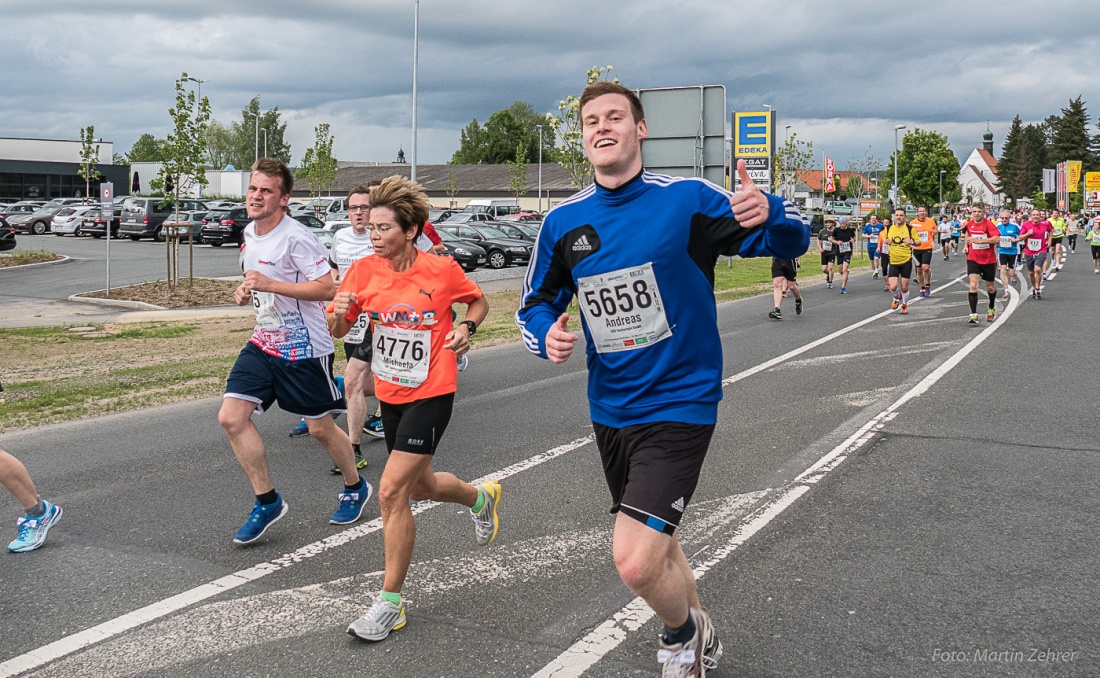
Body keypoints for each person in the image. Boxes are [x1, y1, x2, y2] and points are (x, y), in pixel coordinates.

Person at [516, 81, 809, 676]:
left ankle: (681, 633)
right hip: (611, 409)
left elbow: (790, 242)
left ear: (640, 129)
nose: (602, 127)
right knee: (661, 540)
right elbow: (533, 305)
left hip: (681, 401)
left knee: (634, 560)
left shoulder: (688, 201)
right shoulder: (564, 221)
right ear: (583, 136)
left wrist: (774, 212)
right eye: (591, 120)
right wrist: (545, 334)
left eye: (615, 117)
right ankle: (705, 639)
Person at [337, 175, 497, 643]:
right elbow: (337, 328)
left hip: (434, 387)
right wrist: (341, 311)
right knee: (421, 485)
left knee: (391, 491)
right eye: (371, 228)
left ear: (410, 231)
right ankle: (479, 497)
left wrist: (467, 328)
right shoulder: (363, 272)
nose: (374, 235)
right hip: (391, 391)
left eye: (384, 228)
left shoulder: (441, 271)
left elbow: (480, 301)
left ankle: (390, 603)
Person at [218, 159, 371, 545]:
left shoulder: (297, 237)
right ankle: (267, 500)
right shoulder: (249, 233)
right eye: (253, 188)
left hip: (305, 349)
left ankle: (355, 486)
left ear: (284, 199)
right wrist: (246, 290)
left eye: (266, 190)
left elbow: (327, 288)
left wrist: (271, 282)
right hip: (264, 342)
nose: (256, 196)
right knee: (231, 418)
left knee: (320, 428)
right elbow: (256, 281)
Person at [963, 206, 1000, 323]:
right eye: (974, 212)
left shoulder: (988, 225)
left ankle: (991, 307)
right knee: (973, 285)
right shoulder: (969, 224)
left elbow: (997, 239)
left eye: (979, 212)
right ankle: (973, 314)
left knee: (990, 287)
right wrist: (966, 246)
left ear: (984, 213)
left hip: (988, 260)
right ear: (971, 213)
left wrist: (980, 241)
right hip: (973, 258)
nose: (977, 214)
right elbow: (968, 235)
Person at [885, 208, 915, 315]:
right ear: (894, 216)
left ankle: (904, 305)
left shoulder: (910, 228)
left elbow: (918, 242)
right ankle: (897, 295)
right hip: (893, 261)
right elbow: (884, 239)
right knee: (892, 287)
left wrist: (912, 241)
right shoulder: (888, 228)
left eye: (901, 215)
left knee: (904, 286)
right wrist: (886, 241)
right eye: (897, 215)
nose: (898, 217)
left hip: (906, 260)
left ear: (905, 217)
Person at [1019, 209, 1053, 299]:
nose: (1035, 216)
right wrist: (1028, 234)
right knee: (1031, 273)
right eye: (1033, 215)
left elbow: (1051, 230)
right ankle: (1034, 287)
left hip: (1041, 250)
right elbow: (1020, 237)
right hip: (1029, 251)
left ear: (1040, 216)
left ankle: (1038, 287)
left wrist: (1049, 241)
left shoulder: (1045, 224)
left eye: (1037, 215)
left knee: (1037, 269)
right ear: (1031, 216)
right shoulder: (1026, 225)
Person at [909, 206, 937, 297]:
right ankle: (922, 287)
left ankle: (927, 285)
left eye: (923, 211)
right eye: (920, 211)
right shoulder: (913, 223)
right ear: (917, 213)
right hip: (916, 248)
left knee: (925, 267)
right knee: (919, 270)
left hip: (927, 247)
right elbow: (908, 234)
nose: (922, 213)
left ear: (926, 212)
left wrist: (934, 231)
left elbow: (935, 230)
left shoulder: (931, 221)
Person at [995, 210, 1021, 299]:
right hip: (1002, 251)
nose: (1004, 219)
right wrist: (996, 241)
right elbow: (993, 237)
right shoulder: (997, 226)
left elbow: (1022, 236)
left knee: (1011, 272)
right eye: (1002, 218)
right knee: (1002, 269)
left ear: (1010, 218)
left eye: (1006, 218)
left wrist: (1016, 240)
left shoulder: (1015, 226)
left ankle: (1014, 276)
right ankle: (1006, 290)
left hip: (1013, 251)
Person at [831, 216, 856, 293]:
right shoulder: (836, 230)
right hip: (839, 252)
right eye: (841, 223)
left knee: (845, 268)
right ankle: (845, 272)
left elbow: (854, 238)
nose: (842, 225)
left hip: (847, 251)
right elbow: (831, 239)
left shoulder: (850, 230)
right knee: (840, 270)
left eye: (843, 224)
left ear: (846, 224)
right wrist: (836, 242)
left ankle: (843, 287)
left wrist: (853, 240)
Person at [861, 214, 883, 279]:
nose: (873, 220)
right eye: (872, 218)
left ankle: (876, 270)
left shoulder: (880, 226)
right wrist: (869, 236)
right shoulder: (867, 226)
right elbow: (862, 235)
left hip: (878, 245)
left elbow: (885, 232)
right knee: (872, 260)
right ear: (870, 219)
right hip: (870, 245)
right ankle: (874, 271)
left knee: (876, 258)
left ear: (876, 220)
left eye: (874, 218)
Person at [818, 218, 836, 288]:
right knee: (824, 269)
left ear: (833, 224)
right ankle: (829, 274)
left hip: (832, 252)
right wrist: (820, 248)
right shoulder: (822, 231)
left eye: (830, 222)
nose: (828, 224)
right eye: (827, 222)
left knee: (831, 267)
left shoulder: (835, 231)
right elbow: (818, 240)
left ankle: (830, 282)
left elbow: (838, 241)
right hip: (824, 252)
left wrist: (833, 241)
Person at [877, 217, 893, 291]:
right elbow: (880, 241)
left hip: (892, 253)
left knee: (892, 269)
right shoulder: (881, 232)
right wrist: (878, 247)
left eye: (887, 223)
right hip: (884, 252)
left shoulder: (893, 231)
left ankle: (892, 283)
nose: (885, 224)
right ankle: (887, 284)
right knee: (884, 268)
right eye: (884, 223)